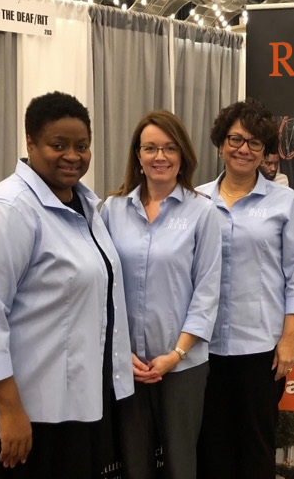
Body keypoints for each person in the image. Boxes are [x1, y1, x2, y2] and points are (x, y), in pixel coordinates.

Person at [0, 91, 134, 478]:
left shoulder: (83, 208)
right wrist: (10, 411)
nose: (72, 156)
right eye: (57, 145)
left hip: (68, 406)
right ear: (30, 143)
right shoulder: (6, 212)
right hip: (12, 414)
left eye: (82, 146)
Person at [196, 98, 294, 479]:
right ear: (220, 143)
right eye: (235, 139)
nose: (243, 149)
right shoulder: (195, 199)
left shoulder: (284, 201)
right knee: (210, 446)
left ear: (265, 152)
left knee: (255, 447)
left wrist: (290, 337)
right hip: (203, 347)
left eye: (254, 143)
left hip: (260, 349)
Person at [100, 110, 221, 479]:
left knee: (180, 464)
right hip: (129, 365)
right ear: (138, 155)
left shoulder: (203, 212)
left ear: (182, 154)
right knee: (133, 464)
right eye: (150, 147)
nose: (160, 156)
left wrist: (176, 354)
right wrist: (122, 355)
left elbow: (207, 291)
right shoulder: (111, 210)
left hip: (182, 365)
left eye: (169, 148)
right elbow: (104, 285)